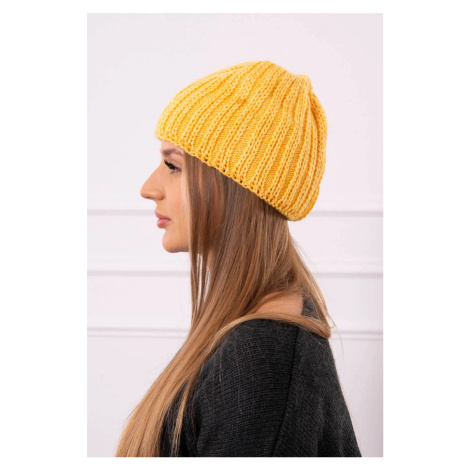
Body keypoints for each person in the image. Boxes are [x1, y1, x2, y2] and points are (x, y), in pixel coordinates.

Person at [115, 60, 362, 457]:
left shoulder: (263, 354)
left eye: (173, 166)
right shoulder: (259, 334)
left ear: (237, 188)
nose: (149, 188)